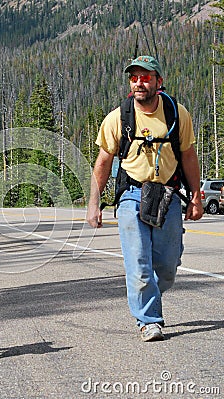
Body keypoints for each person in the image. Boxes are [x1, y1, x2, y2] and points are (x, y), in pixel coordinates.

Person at [86, 55, 203, 342]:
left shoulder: (177, 114)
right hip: (132, 195)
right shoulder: (118, 117)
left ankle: (149, 295)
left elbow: (188, 156)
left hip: (168, 195)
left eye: (146, 77)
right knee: (138, 264)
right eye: (134, 77)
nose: (139, 82)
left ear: (158, 82)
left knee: (167, 266)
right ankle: (149, 320)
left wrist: (197, 196)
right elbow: (103, 162)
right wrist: (93, 202)